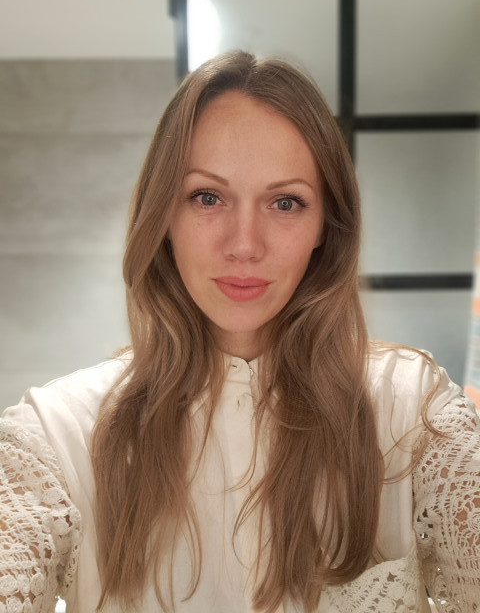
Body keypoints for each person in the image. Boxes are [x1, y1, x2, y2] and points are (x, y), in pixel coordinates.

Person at [0, 50, 479, 613]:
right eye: (208, 197)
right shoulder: (55, 437)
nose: (245, 245)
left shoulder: (414, 413)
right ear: (164, 216)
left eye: (285, 202)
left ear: (326, 227)